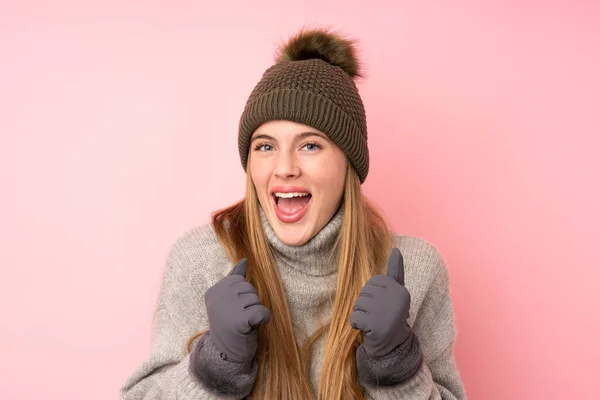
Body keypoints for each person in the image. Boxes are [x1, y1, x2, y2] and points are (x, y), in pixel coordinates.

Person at [120, 28, 466, 400]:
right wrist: (214, 367)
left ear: (348, 163)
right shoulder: (201, 259)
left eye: (310, 145)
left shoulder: (416, 268)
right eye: (265, 146)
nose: (284, 167)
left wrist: (396, 365)